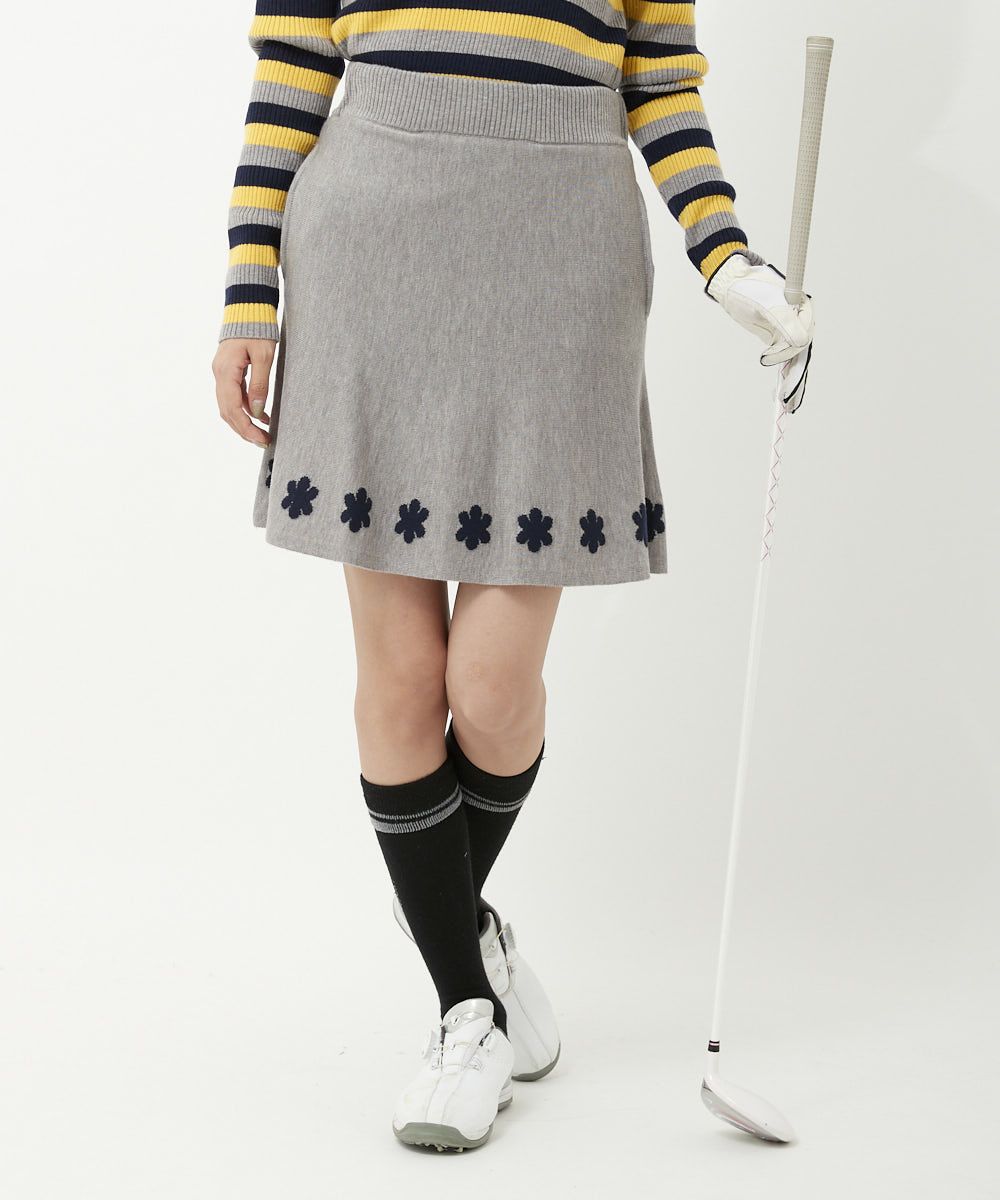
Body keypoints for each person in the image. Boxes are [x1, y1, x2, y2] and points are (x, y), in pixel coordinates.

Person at [211, 0, 815, 1154]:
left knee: (490, 689)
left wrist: (724, 257)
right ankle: (467, 1009)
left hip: (559, 256)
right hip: (371, 248)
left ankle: (454, 923)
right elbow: (289, 68)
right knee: (399, 680)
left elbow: (660, 80)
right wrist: (250, 292)